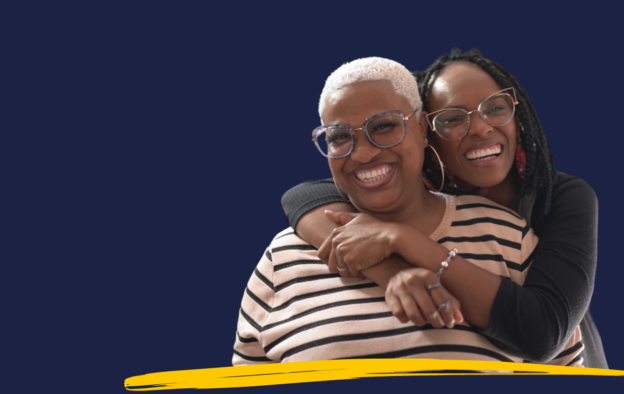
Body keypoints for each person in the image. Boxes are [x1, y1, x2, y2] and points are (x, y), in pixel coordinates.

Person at [232, 57, 582, 367]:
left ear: (421, 126)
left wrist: (403, 242)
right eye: (339, 136)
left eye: (384, 126)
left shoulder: (508, 235)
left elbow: (558, 359)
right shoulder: (283, 257)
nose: (364, 154)